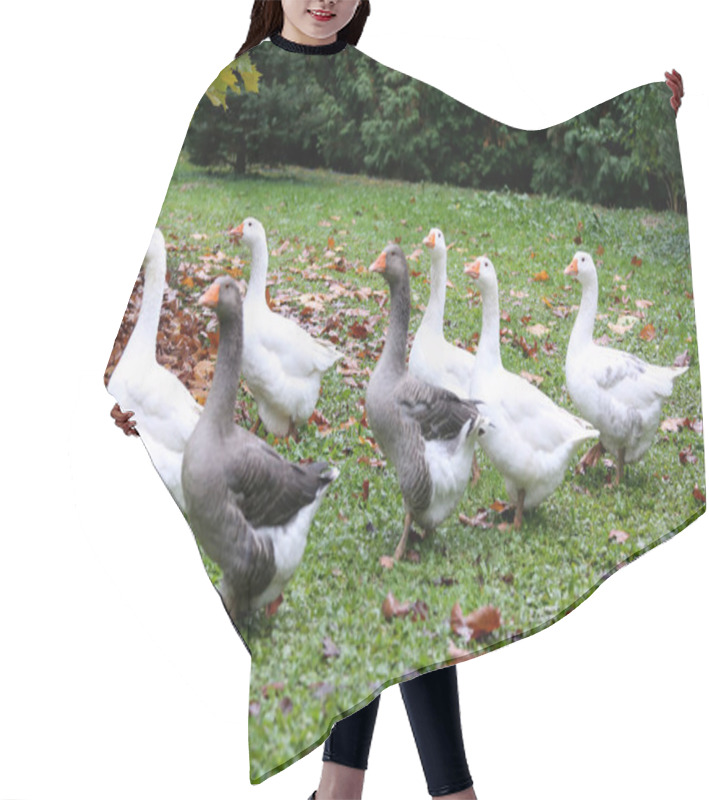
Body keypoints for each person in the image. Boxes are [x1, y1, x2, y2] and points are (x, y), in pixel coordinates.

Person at [235, 4, 478, 799]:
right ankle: (430, 793)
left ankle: (347, 792)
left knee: (387, 610)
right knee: (377, 604)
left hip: (363, 446)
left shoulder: (381, 76)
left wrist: (658, 119)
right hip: (304, 457)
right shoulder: (238, 83)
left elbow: (501, 138)